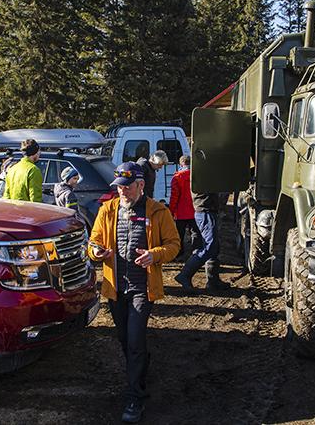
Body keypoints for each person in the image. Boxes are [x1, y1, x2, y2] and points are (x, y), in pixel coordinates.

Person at [87, 161, 180, 423]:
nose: (122, 192)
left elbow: (174, 245)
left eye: (127, 187)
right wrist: (96, 252)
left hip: (142, 288)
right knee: (124, 339)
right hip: (115, 287)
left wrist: (155, 255)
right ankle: (139, 371)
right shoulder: (107, 210)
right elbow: (93, 241)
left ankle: (134, 397)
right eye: (119, 187)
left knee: (135, 339)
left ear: (141, 185)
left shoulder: (158, 211)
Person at [174, 189, 228, 292]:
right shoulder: (201, 174)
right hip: (205, 211)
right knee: (210, 247)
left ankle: (213, 281)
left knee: (214, 247)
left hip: (206, 211)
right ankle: (185, 275)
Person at [169, 155, 200, 259]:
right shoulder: (196, 175)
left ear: (181, 163)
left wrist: (171, 210)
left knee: (179, 234)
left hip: (180, 211)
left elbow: (174, 196)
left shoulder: (177, 177)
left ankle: (179, 252)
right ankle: (197, 252)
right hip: (195, 210)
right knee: (195, 233)